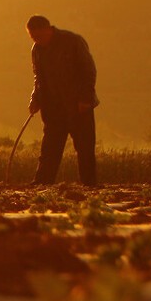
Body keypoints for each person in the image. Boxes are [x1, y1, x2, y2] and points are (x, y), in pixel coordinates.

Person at [25, 15, 99, 186]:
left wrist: (85, 99)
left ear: (48, 29)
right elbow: (39, 78)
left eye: (39, 36)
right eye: (33, 37)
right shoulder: (36, 49)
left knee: (84, 147)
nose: (37, 40)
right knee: (50, 148)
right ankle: (42, 183)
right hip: (53, 108)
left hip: (78, 105)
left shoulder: (72, 41)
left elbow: (88, 71)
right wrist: (35, 99)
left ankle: (89, 185)